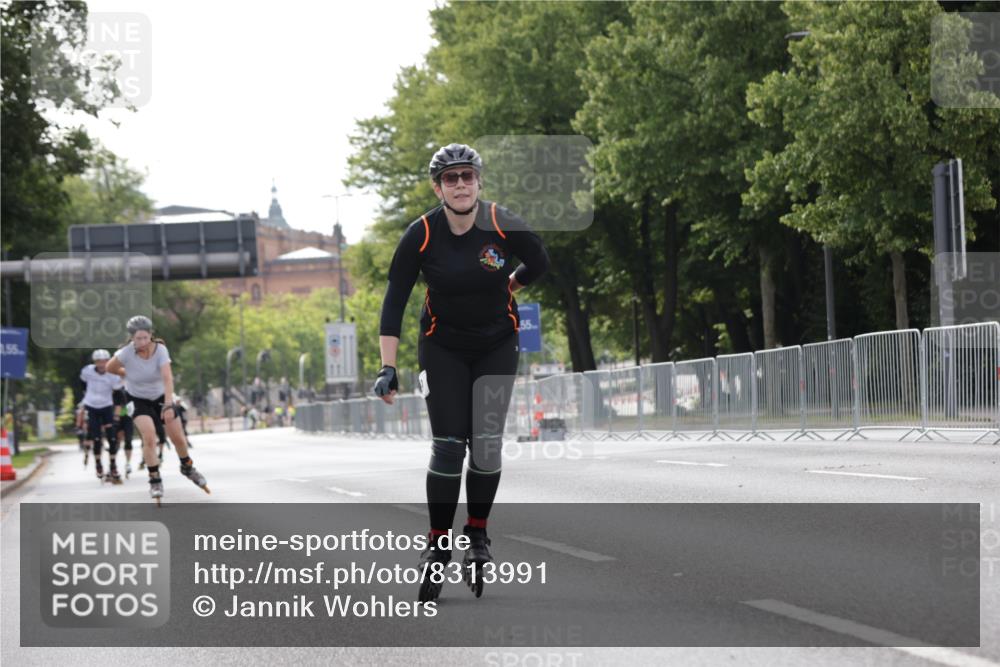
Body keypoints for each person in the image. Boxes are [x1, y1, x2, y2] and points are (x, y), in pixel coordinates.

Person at [373, 143, 550, 601]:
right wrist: (387, 367)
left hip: (497, 344)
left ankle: (477, 532)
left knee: (486, 446)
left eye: (466, 176)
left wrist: (514, 282)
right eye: (449, 178)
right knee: (449, 446)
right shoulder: (422, 234)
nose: (460, 184)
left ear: (478, 181)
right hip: (443, 346)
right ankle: (437, 543)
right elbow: (395, 299)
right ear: (438, 187)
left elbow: (542, 261)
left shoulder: (501, 222)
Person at [106, 316, 210, 504]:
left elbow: (167, 378)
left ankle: (187, 467)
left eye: (146, 338)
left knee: (177, 437)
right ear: (131, 338)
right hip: (137, 399)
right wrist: (126, 373)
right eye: (138, 339)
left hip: (161, 396)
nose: (143, 343)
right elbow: (109, 367)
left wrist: (168, 404)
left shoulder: (160, 350)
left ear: (151, 335)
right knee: (149, 437)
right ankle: (155, 479)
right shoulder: (126, 353)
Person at [80, 349, 124, 483]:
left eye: (104, 361)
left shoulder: (113, 374)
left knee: (112, 437)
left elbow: (118, 392)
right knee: (96, 437)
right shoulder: (87, 371)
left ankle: (113, 465)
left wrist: (117, 414)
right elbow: (82, 382)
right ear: (95, 362)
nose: (102, 364)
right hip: (92, 405)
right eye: (99, 361)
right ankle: (98, 463)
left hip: (106, 406)